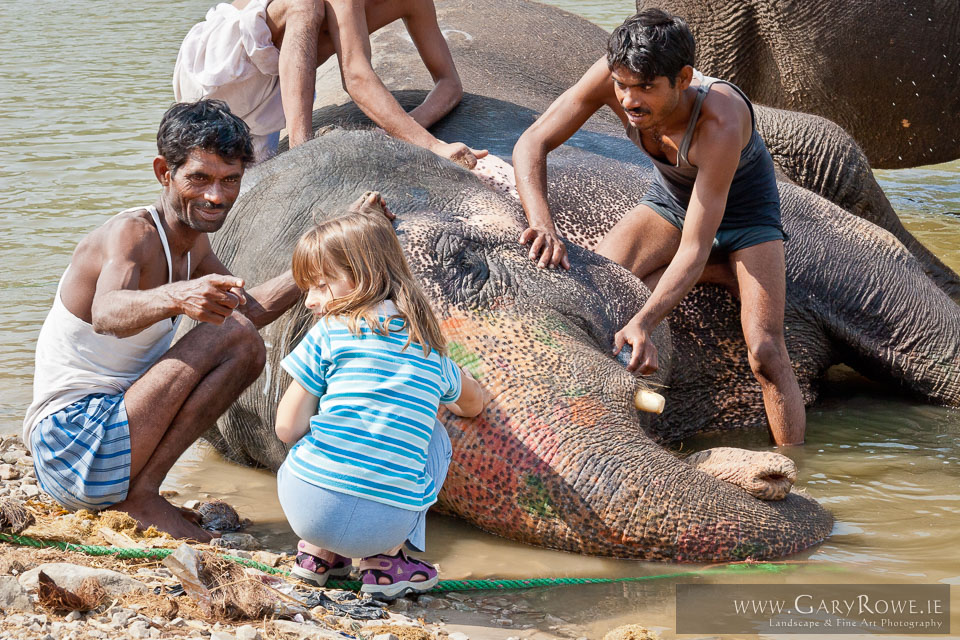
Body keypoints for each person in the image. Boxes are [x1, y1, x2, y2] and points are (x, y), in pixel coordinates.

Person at [511, 9, 805, 445]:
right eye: (623, 85)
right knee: (597, 292)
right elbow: (532, 142)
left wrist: (644, 323)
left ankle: (798, 467)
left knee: (764, 350)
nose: (630, 100)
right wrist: (543, 223)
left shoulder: (720, 122)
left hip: (746, 218)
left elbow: (693, 248)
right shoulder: (613, 79)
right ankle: (723, 275)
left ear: (683, 78)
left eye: (646, 87)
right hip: (673, 202)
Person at [22, 100, 302, 541]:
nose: (216, 196)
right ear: (163, 172)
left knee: (241, 337)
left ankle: (139, 492)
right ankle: (143, 497)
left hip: (112, 444)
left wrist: (321, 259)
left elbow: (248, 313)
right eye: (200, 178)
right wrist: (177, 296)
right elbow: (107, 313)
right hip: (72, 445)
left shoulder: (194, 248)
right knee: (235, 336)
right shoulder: (132, 233)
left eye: (230, 180)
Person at [274, 206, 485, 598]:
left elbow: (286, 429)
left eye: (320, 286)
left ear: (363, 279)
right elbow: (472, 405)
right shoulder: (429, 349)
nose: (310, 301)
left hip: (307, 511)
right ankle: (387, 561)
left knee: (324, 420)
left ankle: (319, 555)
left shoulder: (329, 332)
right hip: (384, 524)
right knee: (436, 436)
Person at [174, 0, 487, 166]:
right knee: (305, 3)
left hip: (265, 102)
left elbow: (450, 84)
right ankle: (301, 150)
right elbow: (356, 77)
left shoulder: (414, 3)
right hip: (217, 67)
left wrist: (403, 130)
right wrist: (432, 145)